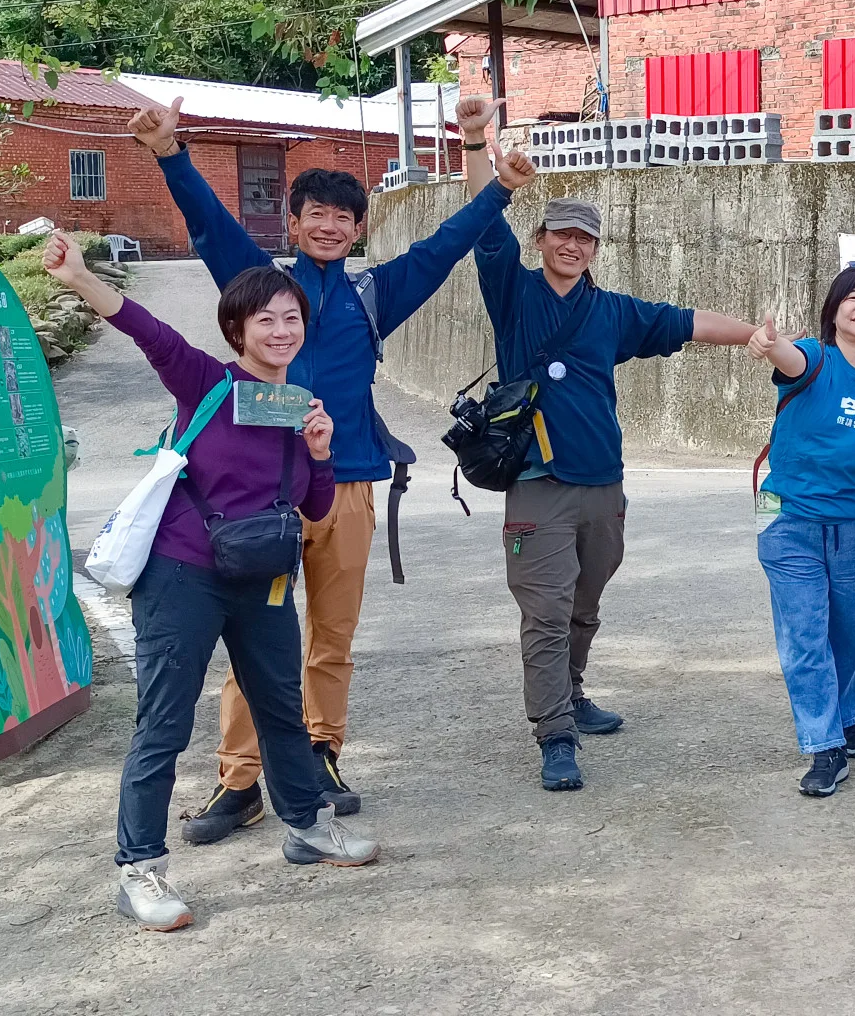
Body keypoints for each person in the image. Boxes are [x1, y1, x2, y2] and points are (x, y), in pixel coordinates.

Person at [127, 93, 531, 843]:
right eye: (314, 212)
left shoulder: (374, 295)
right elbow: (211, 224)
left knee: (331, 637)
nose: (328, 225)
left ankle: (320, 756)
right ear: (293, 221)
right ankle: (239, 779)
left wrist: (501, 187)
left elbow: (444, 246)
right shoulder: (258, 285)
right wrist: (169, 153)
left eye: (343, 217)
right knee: (252, 642)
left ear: (358, 228)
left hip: (343, 488)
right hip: (257, 497)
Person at [41, 232, 381, 932]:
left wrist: (321, 453)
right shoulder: (206, 380)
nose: (282, 330)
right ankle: (139, 869)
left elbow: (315, 508)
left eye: (292, 318)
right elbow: (148, 330)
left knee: (281, 710)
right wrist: (80, 278)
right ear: (237, 329)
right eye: (267, 320)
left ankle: (308, 827)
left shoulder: (296, 406)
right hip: (184, 573)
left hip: (262, 578)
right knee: (163, 722)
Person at [468, 153, 760, 791]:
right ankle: (554, 734)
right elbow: (483, 227)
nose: (571, 245)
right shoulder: (513, 293)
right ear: (539, 239)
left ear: (595, 248)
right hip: (538, 483)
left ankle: (570, 693)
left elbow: (687, 323)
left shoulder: (614, 312)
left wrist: (760, 338)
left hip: (603, 482)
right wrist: (471, 142)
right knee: (544, 611)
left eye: (583, 237)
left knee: (583, 603)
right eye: (560, 234)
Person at [746, 265, 855, 797]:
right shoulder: (815, 359)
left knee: (843, 629)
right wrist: (769, 344)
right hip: (786, 517)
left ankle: (844, 721)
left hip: (854, 523)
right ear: (835, 308)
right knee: (804, 633)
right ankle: (823, 746)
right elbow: (787, 358)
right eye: (853, 297)